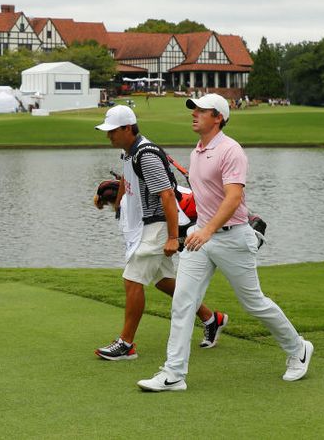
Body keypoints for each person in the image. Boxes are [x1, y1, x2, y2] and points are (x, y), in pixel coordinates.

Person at [137, 94, 313, 392]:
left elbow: (233, 198)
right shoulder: (197, 152)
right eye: (193, 110)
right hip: (202, 237)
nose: (194, 115)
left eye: (201, 111)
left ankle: (298, 348)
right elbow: (203, 197)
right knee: (183, 301)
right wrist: (195, 228)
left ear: (218, 117)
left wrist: (206, 230)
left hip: (233, 238)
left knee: (254, 303)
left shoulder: (231, 151)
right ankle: (174, 374)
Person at [93, 105, 227, 361]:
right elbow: (126, 180)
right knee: (164, 281)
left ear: (127, 128)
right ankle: (212, 318)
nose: (108, 136)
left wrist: (173, 237)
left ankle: (126, 344)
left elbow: (166, 195)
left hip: (157, 225)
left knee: (132, 280)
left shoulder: (146, 154)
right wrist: (117, 203)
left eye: (112, 131)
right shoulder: (129, 152)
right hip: (145, 225)